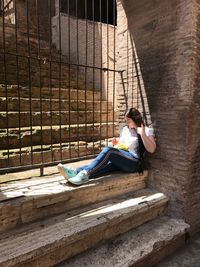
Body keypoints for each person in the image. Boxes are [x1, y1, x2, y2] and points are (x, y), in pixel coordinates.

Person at [57, 107, 156, 185]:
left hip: (134, 163)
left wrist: (142, 134)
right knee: (103, 166)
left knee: (109, 151)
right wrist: (116, 143)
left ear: (134, 120)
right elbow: (123, 146)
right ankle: (75, 172)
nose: (126, 123)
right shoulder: (126, 130)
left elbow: (152, 149)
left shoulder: (146, 130)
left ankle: (84, 174)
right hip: (124, 158)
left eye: (128, 120)